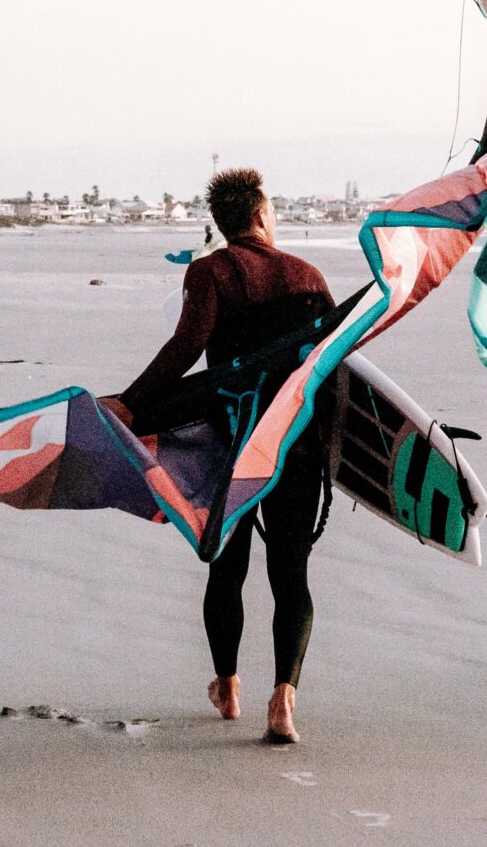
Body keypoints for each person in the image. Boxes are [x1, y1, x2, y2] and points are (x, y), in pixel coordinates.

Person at [115, 168, 335, 743]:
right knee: (290, 574)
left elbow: (185, 348)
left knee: (227, 569)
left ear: (222, 223)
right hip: (293, 444)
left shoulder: (210, 271)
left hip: (233, 447)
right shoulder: (308, 275)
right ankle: (283, 699)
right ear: (263, 215)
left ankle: (228, 686)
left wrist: (130, 405)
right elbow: (331, 365)